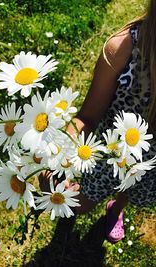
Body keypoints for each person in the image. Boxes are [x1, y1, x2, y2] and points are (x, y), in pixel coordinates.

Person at [40, 0, 156, 243]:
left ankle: (115, 210)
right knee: (81, 205)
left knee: (132, 191)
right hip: (106, 152)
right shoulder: (123, 49)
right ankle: (72, 216)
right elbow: (87, 117)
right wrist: (57, 153)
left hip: (148, 164)